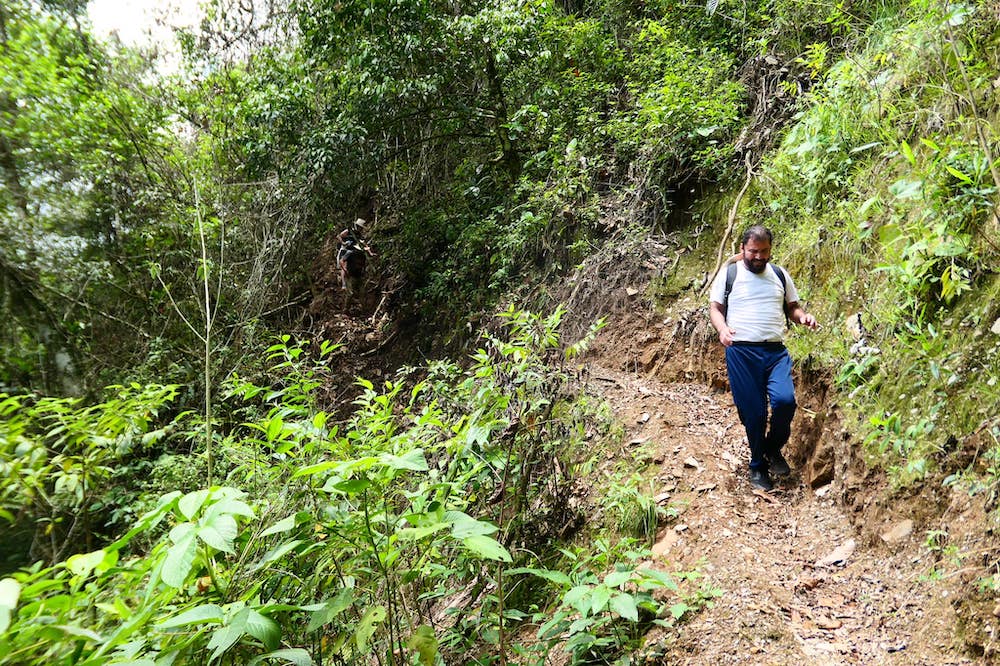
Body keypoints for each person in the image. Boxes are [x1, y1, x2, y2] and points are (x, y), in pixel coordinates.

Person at [708, 225, 818, 491]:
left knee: (785, 402)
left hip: (775, 351)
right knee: (754, 414)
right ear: (743, 249)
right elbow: (715, 309)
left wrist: (802, 317)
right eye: (753, 251)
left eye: (764, 251)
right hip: (741, 352)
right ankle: (757, 466)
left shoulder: (779, 274)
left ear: (770, 250)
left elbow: (792, 307)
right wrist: (722, 329)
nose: (758, 256)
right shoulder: (730, 274)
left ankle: (772, 448)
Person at [336, 218, 375, 293]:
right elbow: (339, 236)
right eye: (359, 226)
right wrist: (343, 243)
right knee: (343, 264)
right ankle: (343, 284)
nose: (359, 228)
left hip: (353, 249)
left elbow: (363, 243)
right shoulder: (349, 230)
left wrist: (370, 252)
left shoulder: (358, 234)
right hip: (345, 249)